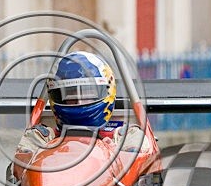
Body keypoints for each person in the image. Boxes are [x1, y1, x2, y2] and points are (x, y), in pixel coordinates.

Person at [16, 50, 146, 154]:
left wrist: (113, 152)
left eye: (88, 92)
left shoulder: (127, 137)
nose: (79, 101)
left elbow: (139, 162)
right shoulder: (40, 137)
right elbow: (20, 165)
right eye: (70, 95)